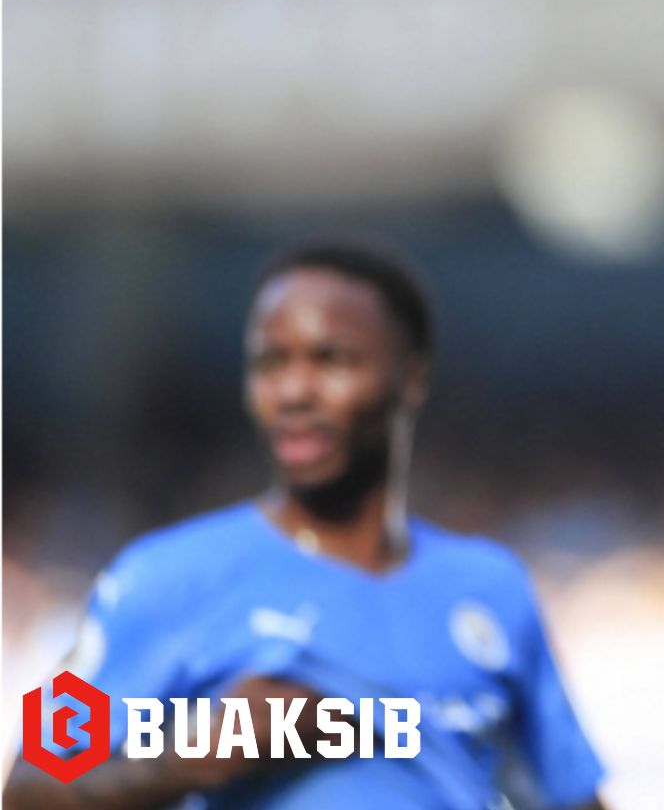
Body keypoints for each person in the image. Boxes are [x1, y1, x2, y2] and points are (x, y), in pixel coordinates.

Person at [6, 237, 607, 809]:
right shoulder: (163, 579)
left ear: (411, 377)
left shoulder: (491, 588)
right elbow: (27, 784)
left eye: (331, 360)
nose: (294, 391)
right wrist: (187, 759)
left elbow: (572, 796)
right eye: (270, 363)